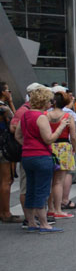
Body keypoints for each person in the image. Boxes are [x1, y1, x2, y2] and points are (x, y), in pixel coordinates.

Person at [17, 87, 70, 233]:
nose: (51, 103)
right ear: (44, 101)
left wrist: (28, 146)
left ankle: (31, 222)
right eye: (50, 100)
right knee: (42, 190)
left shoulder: (25, 115)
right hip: (41, 156)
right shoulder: (41, 117)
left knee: (31, 190)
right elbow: (49, 139)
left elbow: (18, 135)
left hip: (27, 156)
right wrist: (60, 127)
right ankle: (44, 223)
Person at [46, 91, 76, 218]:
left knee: (49, 181)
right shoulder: (68, 116)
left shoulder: (46, 115)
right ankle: (58, 209)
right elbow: (73, 136)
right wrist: (74, 148)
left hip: (48, 146)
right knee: (58, 181)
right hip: (64, 147)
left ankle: (50, 208)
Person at [0, 82, 17, 223]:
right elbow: (15, 122)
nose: (9, 92)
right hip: (4, 148)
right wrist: (11, 103)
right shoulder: (3, 108)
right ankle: (5, 212)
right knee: (7, 180)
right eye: (7, 90)